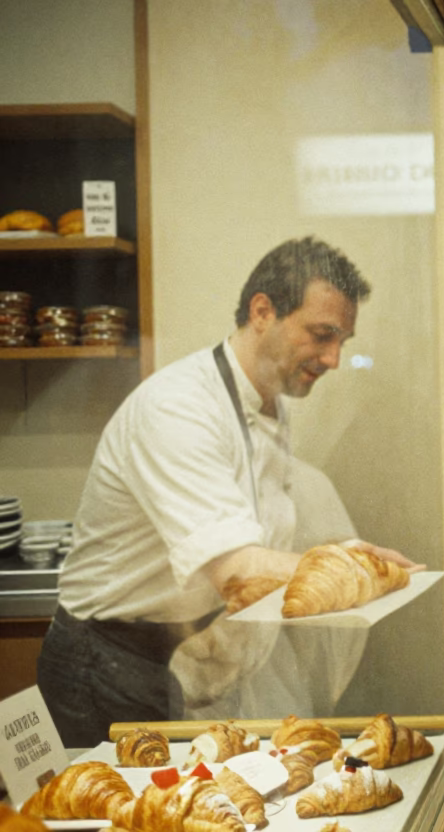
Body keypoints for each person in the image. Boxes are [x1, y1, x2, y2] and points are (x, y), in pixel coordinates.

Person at [38, 236, 415, 747]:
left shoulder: (271, 402)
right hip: (110, 663)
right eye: (322, 334)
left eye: (342, 341)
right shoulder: (178, 408)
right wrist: (348, 567)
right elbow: (236, 570)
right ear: (262, 311)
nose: (333, 358)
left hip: (184, 652)